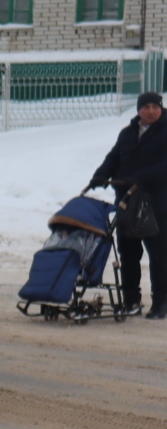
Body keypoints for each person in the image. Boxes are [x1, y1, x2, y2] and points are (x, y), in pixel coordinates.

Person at [89, 89, 167, 318]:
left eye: (155, 107)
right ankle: (131, 301)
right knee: (128, 254)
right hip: (127, 201)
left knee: (160, 255)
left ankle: (161, 303)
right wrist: (100, 175)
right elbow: (114, 157)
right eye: (146, 107)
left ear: (161, 108)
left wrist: (141, 178)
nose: (151, 111)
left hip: (157, 204)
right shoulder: (128, 133)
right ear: (138, 110)